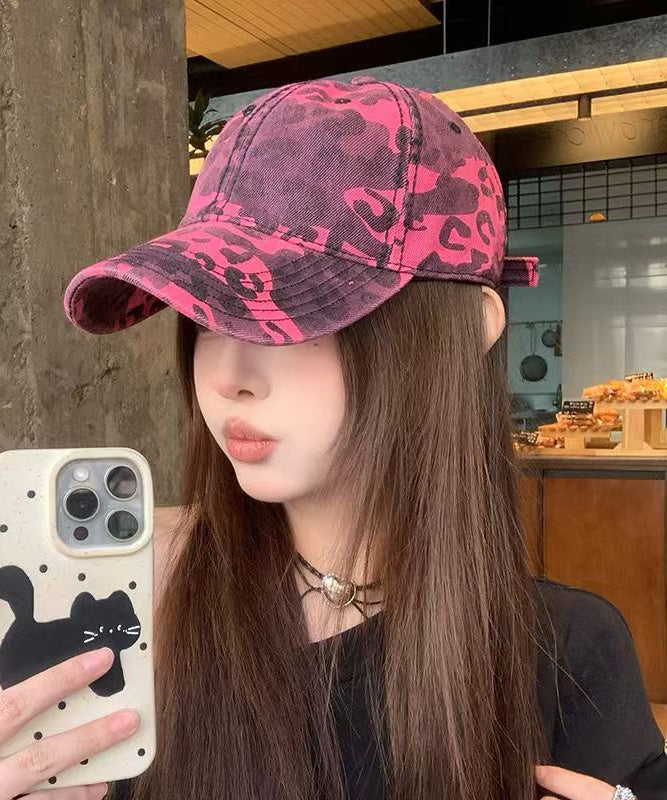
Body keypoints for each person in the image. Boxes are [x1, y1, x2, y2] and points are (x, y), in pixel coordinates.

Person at [5, 76, 664, 800]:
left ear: (465, 332)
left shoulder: (566, 656)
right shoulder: (131, 621)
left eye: (287, 316)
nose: (226, 377)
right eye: (206, 316)